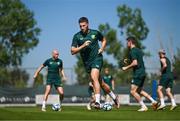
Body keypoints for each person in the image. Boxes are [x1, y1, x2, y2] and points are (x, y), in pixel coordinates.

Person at [71, 17, 119, 109]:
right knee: (102, 83)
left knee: (93, 77)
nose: (82, 28)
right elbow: (72, 51)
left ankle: (97, 102)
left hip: (97, 58)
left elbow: (104, 40)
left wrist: (102, 48)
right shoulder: (77, 36)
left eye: (83, 25)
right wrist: (83, 45)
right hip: (87, 63)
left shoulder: (95, 33)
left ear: (88, 24)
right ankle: (114, 97)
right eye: (80, 26)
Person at [122, 37, 157, 111]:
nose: (127, 43)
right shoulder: (138, 50)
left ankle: (143, 106)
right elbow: (138, 60)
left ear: (131, 42)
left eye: (127, 42)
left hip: (138, 73)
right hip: (143, 72)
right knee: (139, 91)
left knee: (132, 91)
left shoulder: (132, 51)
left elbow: (135, 63)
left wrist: (126, 67)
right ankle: (153, 101)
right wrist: (128, 60)